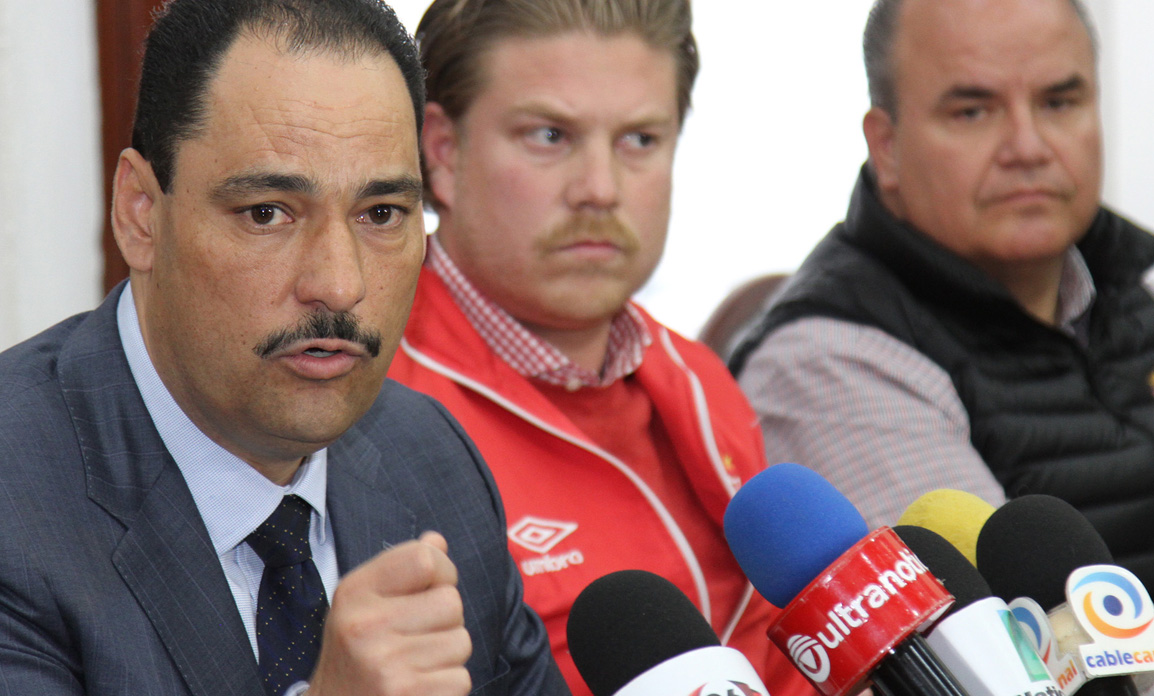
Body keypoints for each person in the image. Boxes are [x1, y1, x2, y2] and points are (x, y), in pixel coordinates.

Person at [0, 0, 569, 694]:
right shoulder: (16, 504)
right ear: (141, 214)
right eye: (267, 213)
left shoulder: (432, 460)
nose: (340, 284)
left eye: (381, 214)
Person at [386, 1, 811, 694]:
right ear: (443, 151)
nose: (600, 190)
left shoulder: (697, 376)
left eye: (640, 140)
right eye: (550, 135)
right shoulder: (364, 399)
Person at [731, 0, 1154, 586]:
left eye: (1058, 103)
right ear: (886, 146)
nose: (1028, 147)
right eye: (973, 112)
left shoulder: (1136, 278)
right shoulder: (829, 360)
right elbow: (998, 635)